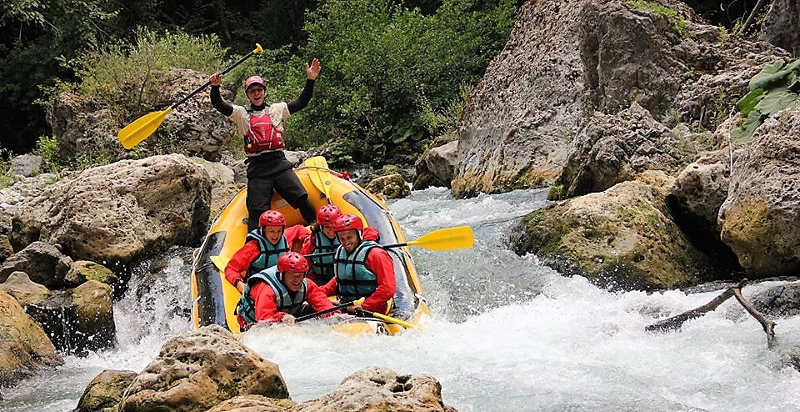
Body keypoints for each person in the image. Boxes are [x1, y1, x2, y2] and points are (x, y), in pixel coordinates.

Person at [209, 58, 322, 231]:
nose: (256, 93)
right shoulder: (240, 113)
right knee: (256, 211)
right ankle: (254, 243)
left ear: (264, 92)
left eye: (259, 89)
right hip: (258, 169)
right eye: (252, 91)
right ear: (247, 94)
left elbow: (302, 102)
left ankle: (315, 225)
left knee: (301, 197)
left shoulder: (277, 109)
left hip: (279, 163)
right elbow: (219, 104)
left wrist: (310, 80)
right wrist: (215, 87)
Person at [235, 252, 336, 329]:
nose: (298, 280)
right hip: (252, 324)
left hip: (288, 314)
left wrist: (336, 316)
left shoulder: (307, 284)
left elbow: (324, 305)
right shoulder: (267, 289)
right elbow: (264, 320)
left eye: (301, 276)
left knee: (318, 312)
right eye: (293, 276)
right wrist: (282, 317)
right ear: (282, 275)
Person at [321, 214, 396, 315]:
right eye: (342, 239)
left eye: (349, 237)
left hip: (371, 310)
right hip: (346, 307)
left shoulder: (376, 254)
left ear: (359, 234)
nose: (346, 242)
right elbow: (342, 278)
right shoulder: (341, 251)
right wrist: (319, 292)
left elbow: (388, 288)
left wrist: (363, 306)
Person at [225, 210, 307, 293]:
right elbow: (231, 269)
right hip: (260, 284)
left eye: (279, 231)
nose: (276, 235)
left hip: (282, 280)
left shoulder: (285, 237)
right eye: (271, 231)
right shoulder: (253, 247)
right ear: (263, 230)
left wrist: (296, 253)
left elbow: (299, 229)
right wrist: (239, 284)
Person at [301, 204, 379, 285]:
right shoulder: (313, 239)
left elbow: (370, 232)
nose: (331, 231)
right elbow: (304, 259)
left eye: (333, 227)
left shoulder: (347, 232)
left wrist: (368, 243)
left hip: (343, 275)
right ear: (321, 227)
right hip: (321, 278)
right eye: (327, 227)